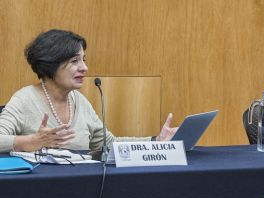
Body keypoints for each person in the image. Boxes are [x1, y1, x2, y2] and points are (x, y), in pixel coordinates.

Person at [0, 29, 177, 153]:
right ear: (51, 64)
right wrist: (31, 142)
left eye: (83, 60)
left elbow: (109, 144)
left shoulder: (79, 101)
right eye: (74, 61)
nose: (84, 67)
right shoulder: (25, 99)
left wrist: (156, 142)